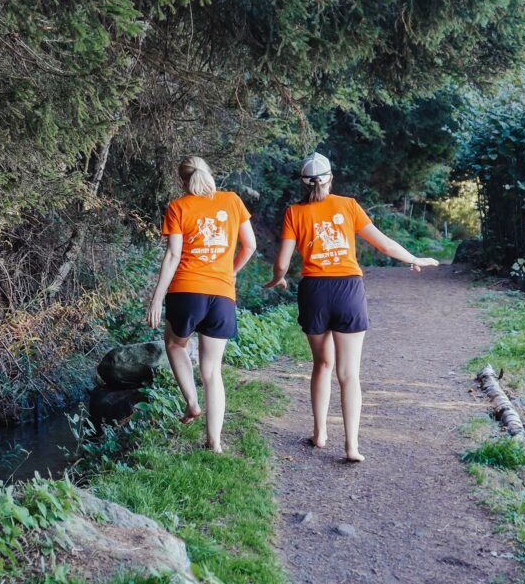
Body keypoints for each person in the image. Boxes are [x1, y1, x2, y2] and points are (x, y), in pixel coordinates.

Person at [263, 152, 438, 462]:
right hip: (348, 289)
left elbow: (282, 262)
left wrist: (278, 279)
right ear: (331, 177)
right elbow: (383, 244)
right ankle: (352, 447)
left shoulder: (294, 212)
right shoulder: (348, 205)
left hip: (314, 290)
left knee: (322, 365)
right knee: (349, 374)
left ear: (303, 184)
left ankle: (319, 434)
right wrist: (413, 259)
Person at [146, 156, 257, 453]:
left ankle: (192, 403)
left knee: (175, 344)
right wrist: (231, 271)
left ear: (183, 181)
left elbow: (172, 257)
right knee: (212, 371)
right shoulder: (232, 201)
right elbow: (251, 245)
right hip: (221, 295)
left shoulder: (178, 207)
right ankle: (215, 443)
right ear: (209, 173)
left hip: (186, 291)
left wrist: (157, 299)